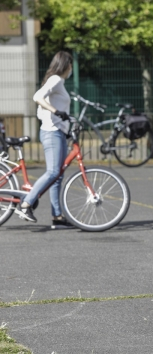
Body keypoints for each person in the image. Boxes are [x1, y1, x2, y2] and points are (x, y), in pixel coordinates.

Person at [15, 51, 74, 229]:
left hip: (59, 132)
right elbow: (37, 97)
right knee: (52, 171)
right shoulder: (55, 79)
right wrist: (55, 111)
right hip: (51, 132)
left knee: (57, 176)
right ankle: (26, 205)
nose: (71, 69)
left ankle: (57, 216)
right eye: (70, 64)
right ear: (65, 65)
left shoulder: (59, 82)